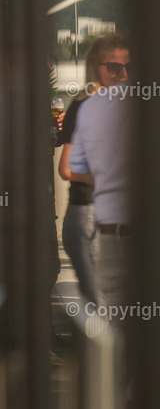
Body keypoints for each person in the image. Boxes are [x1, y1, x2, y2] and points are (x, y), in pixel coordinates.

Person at [57, 35, 129, 304]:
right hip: (90, 216)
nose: (123, 74)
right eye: (113, 67)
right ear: (94, 68)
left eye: (127, 67)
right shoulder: (86, 105)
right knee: (103, 303)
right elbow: (67, 167)